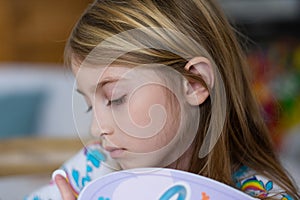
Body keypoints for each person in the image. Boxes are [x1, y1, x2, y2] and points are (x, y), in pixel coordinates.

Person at [26, 0, 299, 199]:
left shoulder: (260, 194)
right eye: (89, 105)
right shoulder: (91, 168)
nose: (96, 129)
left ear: (194, 84)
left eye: (115, 98)